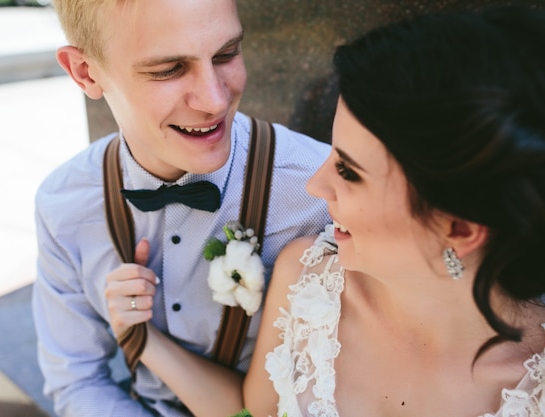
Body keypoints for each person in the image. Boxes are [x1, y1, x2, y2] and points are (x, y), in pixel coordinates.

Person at [133, 5, 545, 417]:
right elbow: (252, 412)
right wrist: (141, 338)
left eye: (348, 171)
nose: (315, 185)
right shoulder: (308, 282)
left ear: (459, 226)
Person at [31, 0, 331, 416]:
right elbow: (78, 381)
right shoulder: (63, 204)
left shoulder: (319, 190)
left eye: (226, 54)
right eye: (168, 70)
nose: (214, 100)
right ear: (85, 72)